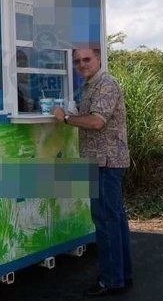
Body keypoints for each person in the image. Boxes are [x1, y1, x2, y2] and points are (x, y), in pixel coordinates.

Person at [52, 48, 133, 297]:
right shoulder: (89, 86)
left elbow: (97, 121)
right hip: (99, 162)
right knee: (115, 220)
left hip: (106, 163)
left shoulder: (106, 84)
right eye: (77, 61)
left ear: (98, 59)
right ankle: (121, 275)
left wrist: (65, 118)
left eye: (87, 59)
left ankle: (111, 281)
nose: (81, 64)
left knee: (107, 221)